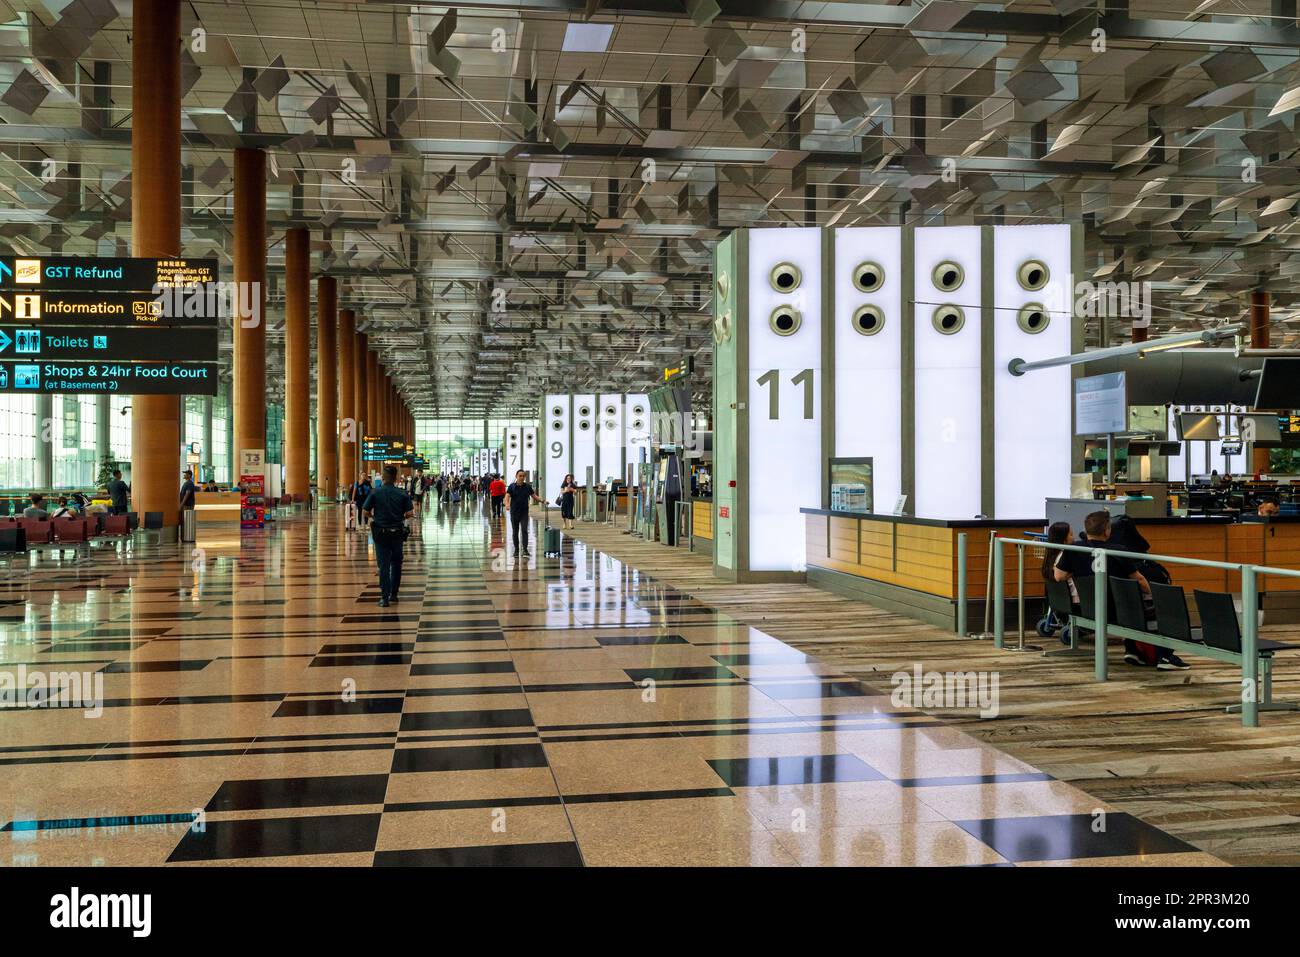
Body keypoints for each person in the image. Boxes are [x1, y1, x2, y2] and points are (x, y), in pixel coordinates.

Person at [1053, 510, 1188, 671]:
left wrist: (1079, 569)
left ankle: (1134, 651)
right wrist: (1156, 596)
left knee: (1135, 608)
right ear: (1107, 530)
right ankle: (1164, 656)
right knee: (1164, 607)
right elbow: (1138, 579)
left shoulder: (1074, 549)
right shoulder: (1117, 550)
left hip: (1087, 609)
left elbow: (1059, 576)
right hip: (1118, 612)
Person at [362, 465, 413, 607]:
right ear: (396, 478)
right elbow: (410, 513)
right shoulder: (402, 494)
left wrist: (374, 517)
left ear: (382, 478)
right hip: (397, 533)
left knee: (383, 566)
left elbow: (365, 511)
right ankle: (394, 595)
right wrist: (400, 517)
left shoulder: (375, 492)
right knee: (396, 564)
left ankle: (384, 598)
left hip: (381, 534)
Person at [505, 469, 541, 556]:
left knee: (524, 530)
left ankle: (525, 549)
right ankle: (516, 550)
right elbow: (507, 496)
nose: (521, 477)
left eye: (523, 476)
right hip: (514, 512)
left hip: (524, 512)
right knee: (515, 531)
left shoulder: (527, 487)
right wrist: (507, 504)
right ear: (516, 476)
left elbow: (534, 496)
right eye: (520, 476)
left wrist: (542, 501)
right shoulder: (511, 486)